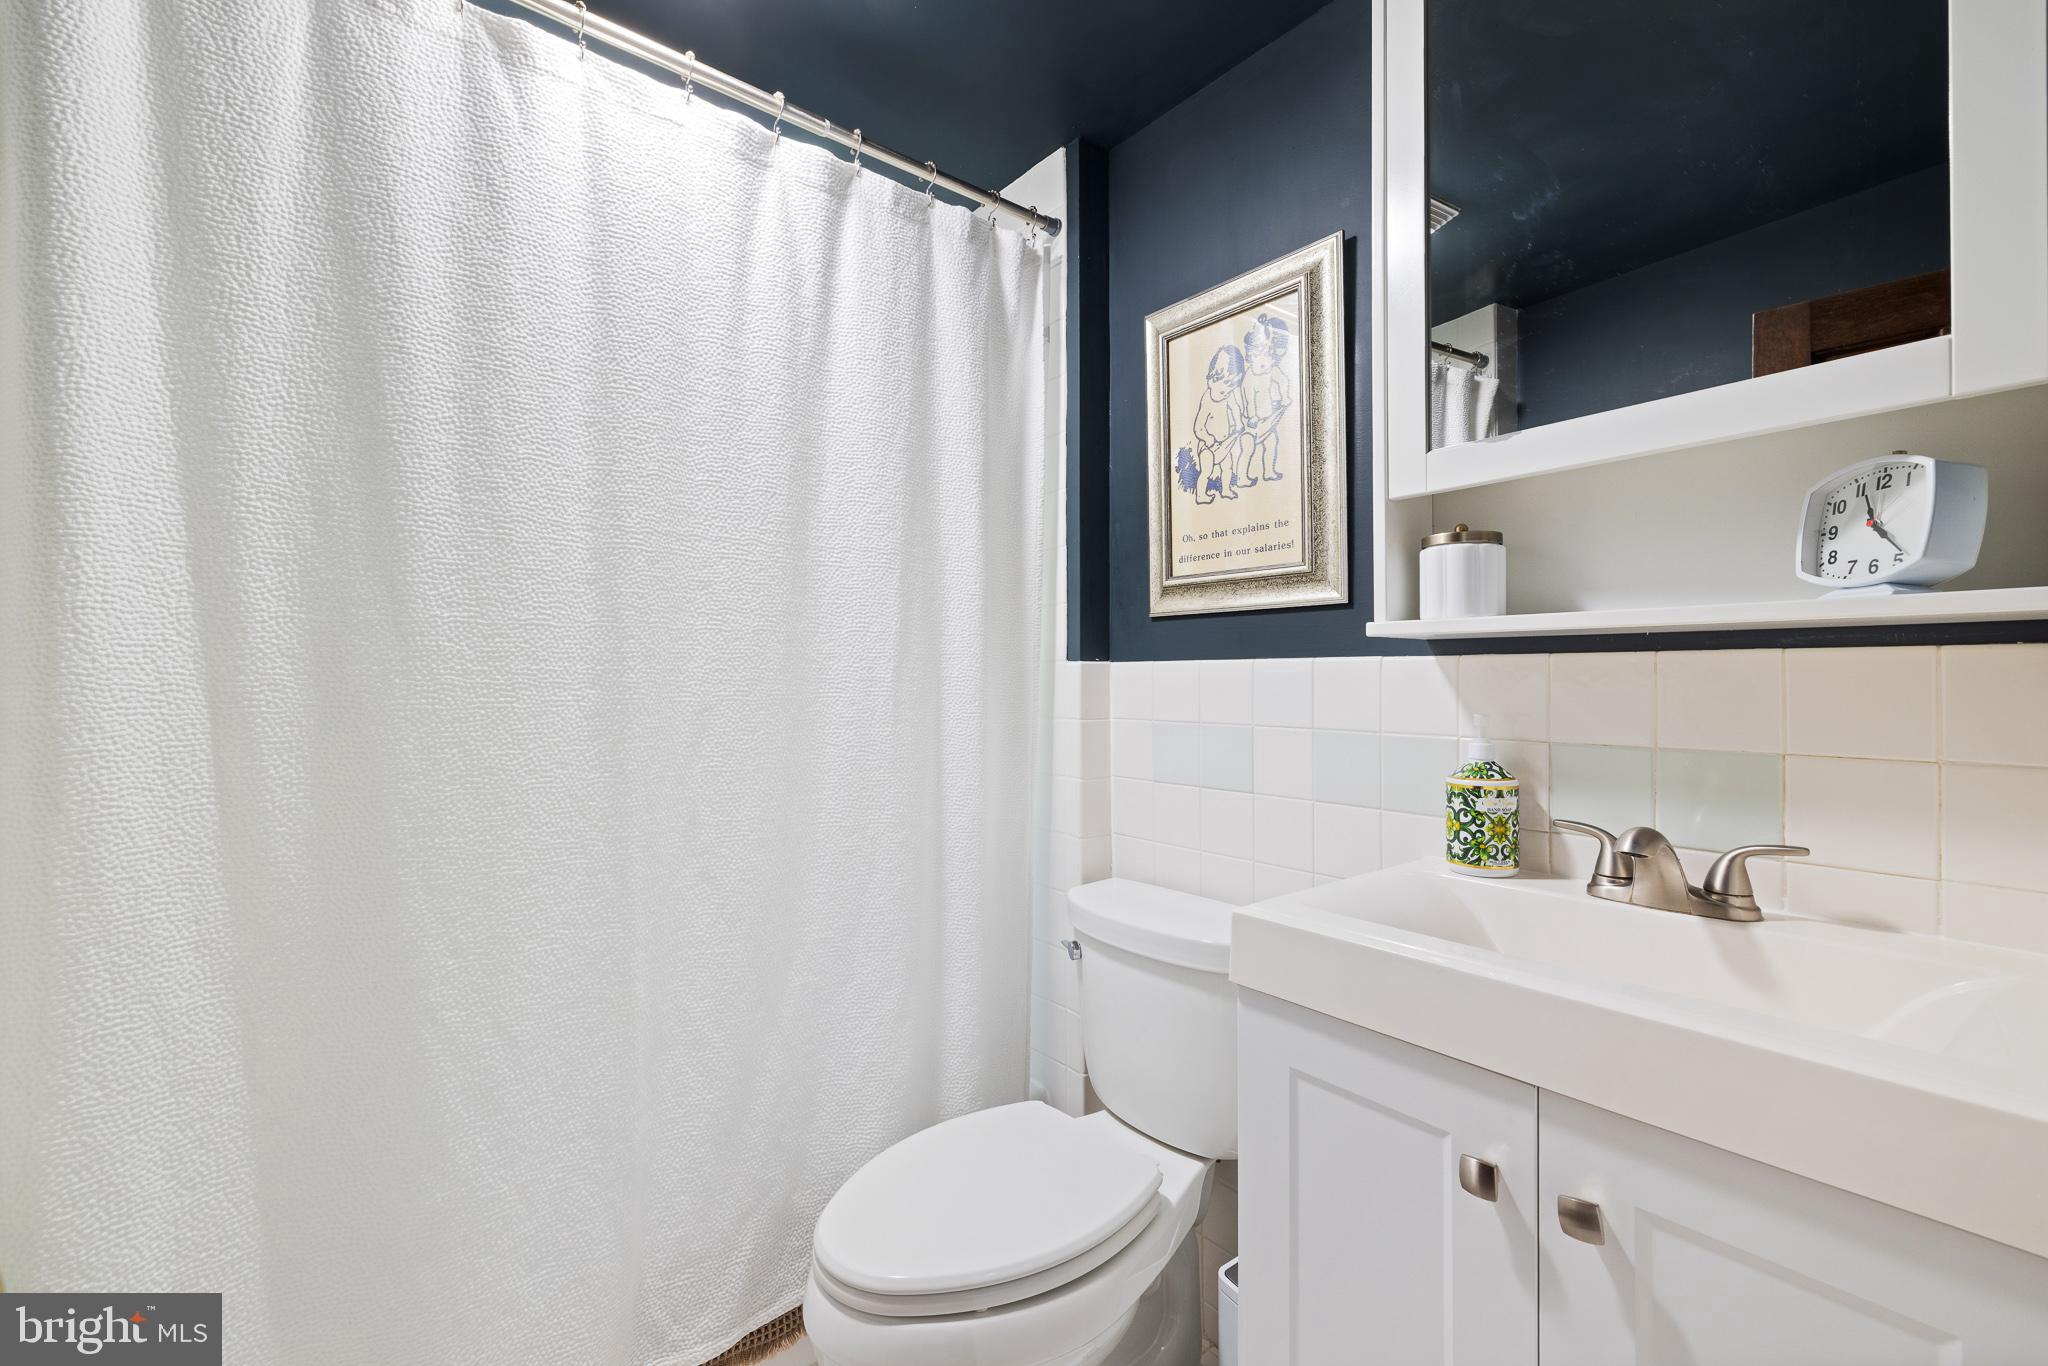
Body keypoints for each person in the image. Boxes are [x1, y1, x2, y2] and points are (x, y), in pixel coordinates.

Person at [1191, 344, 1249, 504]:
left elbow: (1235, 408)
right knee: (1206, 471)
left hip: (1225, 444)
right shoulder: (1207, 400)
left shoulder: (1228, 396)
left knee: (1227, 467)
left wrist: (1238, 423)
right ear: (1211, 381)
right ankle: (1201, 495)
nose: (1226, 394)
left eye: (1231, 390)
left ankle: (1226, 489)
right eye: (1223, 391)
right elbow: (1198, 427)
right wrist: (1208, 439)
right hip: (1208, 447)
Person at [1241, 313, 1292, 484]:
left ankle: (1269, 471)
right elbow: (1248, 398)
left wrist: (1284, 397)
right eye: (1257, 358)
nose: (1264, 364)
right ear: (1251, 356)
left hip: (1267, 419)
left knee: (1271, 443)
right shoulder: (1250, 376)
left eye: (1269, 358)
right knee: (1247, 448)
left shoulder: (1270, 370)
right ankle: (1241, 477)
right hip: (1252, 423)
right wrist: (1252, 417)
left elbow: (1283, 380)